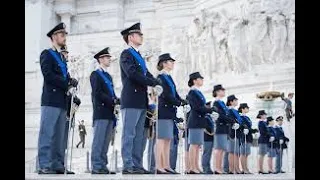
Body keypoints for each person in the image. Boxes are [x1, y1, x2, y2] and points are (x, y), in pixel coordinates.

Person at [37, 22, 78, 174]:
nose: (64, 37)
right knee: (47, 133)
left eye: (65, 35)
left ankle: (57, 164)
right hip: (50, 99)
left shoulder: (61, 57)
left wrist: (71, 81)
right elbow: (48, 75)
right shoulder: (46, 54)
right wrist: (66, 82)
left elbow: (63, 77)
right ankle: (44, 164)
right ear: (54, 37)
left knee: (59, 136)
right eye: (62, 35)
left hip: (61, 101)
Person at [119, 22, 160, 174]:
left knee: (139, 136)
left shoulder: (139, 56)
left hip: (141, 100)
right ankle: (127, 164)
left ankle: (137, 164)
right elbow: (132, 74)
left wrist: (156, 81)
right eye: (139, 34)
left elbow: (146, 73)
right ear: (131, 37)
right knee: (129, 134)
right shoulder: (126, 54)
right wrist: (151, 81)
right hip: (131, 99)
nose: (142, 37)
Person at [155, 53, 187, 174]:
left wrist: (182, 100)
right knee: (162, 139)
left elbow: (174, 93)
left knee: (168, 139)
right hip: (163, 111)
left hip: (170, 111)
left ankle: (166, 165)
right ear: (164, 63)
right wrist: (178, 102)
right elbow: (166, 95)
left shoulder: (169, 77)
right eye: (170, 61)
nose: (173, 63)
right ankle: (159, 166)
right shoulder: (161, 77)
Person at [90, 47, 120, 174]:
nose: (109, 60)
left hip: (109, 112)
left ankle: (103, 165)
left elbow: (110, 93)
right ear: (100, 59)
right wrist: (112, 100)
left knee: (106, 140)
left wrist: (116, 100)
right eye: (107, 57)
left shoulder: (108, 75)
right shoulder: (95, 74)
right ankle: (96, 165)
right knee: (99, 140)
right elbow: (97, 93)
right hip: (101, 111)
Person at [187, 72, 216, 174]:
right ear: (195, 80)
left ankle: (196, 166)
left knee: (198, 145)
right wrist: (209, 109)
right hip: (195, 120)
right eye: (200, 79)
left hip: (199, 121)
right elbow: (197, 107)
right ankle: (192, 167)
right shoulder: (192, 92)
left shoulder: (198, 92)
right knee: (194, 144)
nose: (202, 80)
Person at [212, 84, 233, 174]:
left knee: (222, 149)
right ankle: (217, 168)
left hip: (224, 128)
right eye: (222, 90)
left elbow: (226, 114)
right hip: (220, 127)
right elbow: (220, 115)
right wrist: (230, 120)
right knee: (219, 149)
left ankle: (219, 168)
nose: (224, 92)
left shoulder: (222, 102)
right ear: (217, 92)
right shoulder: (216, 102)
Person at [239, 103, 258, 174]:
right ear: (243, 109)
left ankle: (246, 168)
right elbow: (243, 127)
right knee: (243, 153)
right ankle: (244, 169)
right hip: (244, 137)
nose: (248, 109)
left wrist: (253, 130)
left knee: (246, 154)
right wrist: (251, 130)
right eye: (247, 108)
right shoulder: (240, 117)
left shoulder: (247, 118)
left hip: (249, 137)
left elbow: (248, 127)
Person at [226, 95, 242, 174]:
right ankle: (232, 169)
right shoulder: (229, 110)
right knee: (232, 152)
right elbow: (230, 120)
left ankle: (237, 168)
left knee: (236, 152)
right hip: (232, 132)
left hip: (237, 132)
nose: (237, 102)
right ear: (231, 101)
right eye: (235, 100)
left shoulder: (235, 111)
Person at [201, 102, 215, 174]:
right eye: (208, 106)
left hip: (211, 137)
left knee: (209, 153)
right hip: (206, 137)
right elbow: (204, 127)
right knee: (206, 153)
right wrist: (210, 133)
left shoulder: (209, 116)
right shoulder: (205, 116)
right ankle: (205, 168)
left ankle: (208, 167)